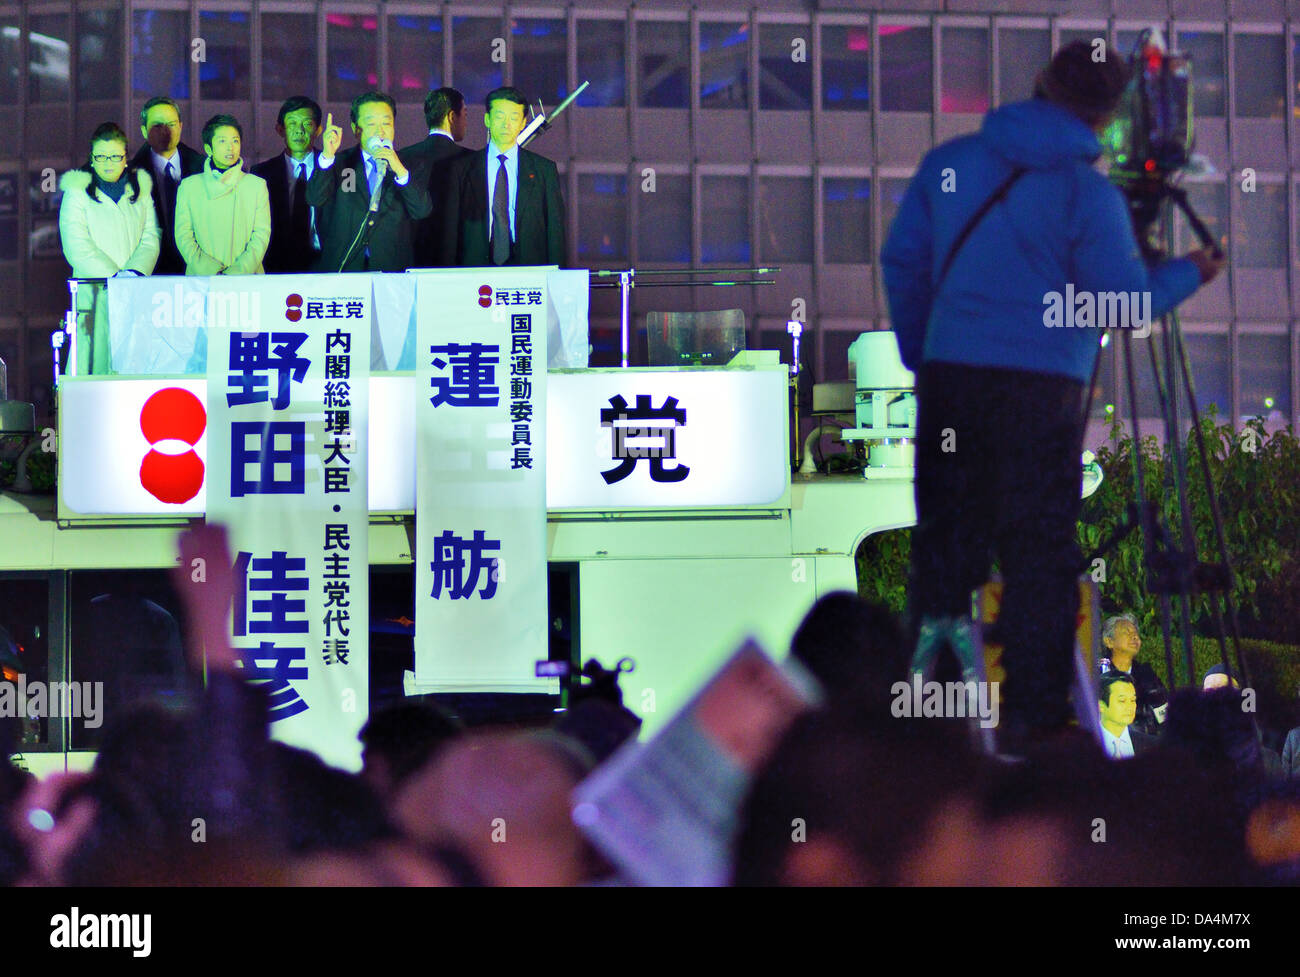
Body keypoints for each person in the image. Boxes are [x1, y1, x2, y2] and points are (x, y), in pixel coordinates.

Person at [881, 41, 1223, 748]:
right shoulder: (1085, 194)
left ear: (1038, 86)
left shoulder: (950, 166)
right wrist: (1189, 272)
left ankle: (931, 731)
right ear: (1109, 117)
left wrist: (928, 353)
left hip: (953, 384)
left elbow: (904, 261)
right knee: (1039, 554)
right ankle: (1037, 727)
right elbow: (1121, 305)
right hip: (1042, 394)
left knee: (945, 552)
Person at [58, 122, 160, 375]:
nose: (108, 162)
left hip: (134, 290)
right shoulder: (77, 192)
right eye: (101, 156)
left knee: (133, 365)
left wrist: (133, 274)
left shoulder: (140, 189)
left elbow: (151, 236)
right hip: (94, 293)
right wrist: (114, 277)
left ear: (126, 158)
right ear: (91, 159)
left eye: (115, 156)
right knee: (94, 362)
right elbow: (76, 243)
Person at [439, 86, 566, 267]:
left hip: (528, 267)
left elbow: (555, 230)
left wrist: (558, 277)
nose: (506, 124)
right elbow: (450, 231)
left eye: (514, 118)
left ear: (523, 123)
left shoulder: (543, 170)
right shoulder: (462, 168)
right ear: (487, 120)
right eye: (499, 117)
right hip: (475, 267)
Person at [308, 91, 432, 273]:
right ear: (356, 129)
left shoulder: (408, 166)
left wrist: (399, 170)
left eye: (386, 123)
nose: (380, 131)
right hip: (345, 270)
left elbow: (422, 210)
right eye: (371, 124)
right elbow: (315, 198)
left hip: (390, 270)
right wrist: (327, 155)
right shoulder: (340, 163)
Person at [174, 114, 271, 275]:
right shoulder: (189, 186)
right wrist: (209, 270)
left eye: (235, 140)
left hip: (246, 279)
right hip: (202, 278)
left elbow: (261, 235)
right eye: (222, 141)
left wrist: (239, 270)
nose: (230, 147)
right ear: (208, 148)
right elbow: (184, 236)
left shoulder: (256, 185)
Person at [128, 97, 206, 275]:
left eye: (171, 124)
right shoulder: (130, 175)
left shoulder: (203, 168)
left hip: (199, 271)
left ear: (180, 126)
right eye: (157, 125)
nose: (165, 131)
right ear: (143, 130)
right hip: (150, 274)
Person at [400, 87, 473, 268]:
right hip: (458, 261)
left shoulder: (402, 158)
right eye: (465, 114)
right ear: (451, 116)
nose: (466, 122)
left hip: (411, 260)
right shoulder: (470, 160)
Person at [250, 96, 323, 273]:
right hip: (277, 265)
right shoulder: (261, 173)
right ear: (280, 129)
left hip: (324, 263)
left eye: (307, 124)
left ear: (318, 130)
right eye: (292, 124)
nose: (299, 131)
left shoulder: (334, 169)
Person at [1097, 613, 1168, 736]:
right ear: (1109, 642)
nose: (1135, 637)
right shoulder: (1098, 674)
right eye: (1127, 632)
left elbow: (1164, 716)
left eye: (1136, 633)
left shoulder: (1147, 675)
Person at [1097, 674, 1156, 759]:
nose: (1130, 706)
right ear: (1101, 705)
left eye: (1133, 700)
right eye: (1122, 700)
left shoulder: (1152, 746)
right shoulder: (1084, 747)